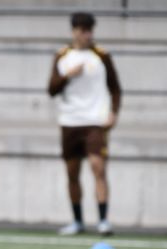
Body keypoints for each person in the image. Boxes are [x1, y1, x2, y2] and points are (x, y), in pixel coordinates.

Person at [48, 12, 121, 236]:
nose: (87, 35)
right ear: (74, 32)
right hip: (70, 121)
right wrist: (68, 75)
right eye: (83, 31)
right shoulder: (62, 56)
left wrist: (113, 113)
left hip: (95, 122)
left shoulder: (102, 56)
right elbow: (51, 89)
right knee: (72, 172)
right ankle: (77, 221)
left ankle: (103, 221)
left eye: (90, 30)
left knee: (98, 167)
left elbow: (115, 88)